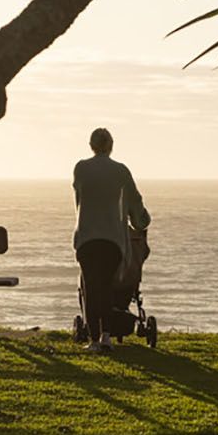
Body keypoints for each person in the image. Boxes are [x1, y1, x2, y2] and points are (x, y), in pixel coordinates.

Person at [73, 127, 149, 350]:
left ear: (91, 145)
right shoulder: (120, 171)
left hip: (86, 238)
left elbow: (79, 197)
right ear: (111, 145)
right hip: (112, 239)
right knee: (106, 286)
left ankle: (93, 339)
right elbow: (135, 202)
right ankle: (106, 336)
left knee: (91, 287)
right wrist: (141, 222)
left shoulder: (81, 168)